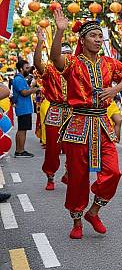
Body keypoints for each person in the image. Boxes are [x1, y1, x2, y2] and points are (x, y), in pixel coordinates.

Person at [50, 9, 122, 240]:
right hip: (78, 123)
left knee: (113, 172)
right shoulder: (73, 63)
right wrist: (59, 31)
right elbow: (55, 59)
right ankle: (76, 220)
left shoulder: (109, 63)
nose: (98, 40)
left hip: (102, 123)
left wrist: (115, 89)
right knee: (78, 176)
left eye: (100, 36)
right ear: (83, 39)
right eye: (94, 36)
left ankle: (93, 211)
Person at [33, 28, 72, 190]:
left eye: (69, 54)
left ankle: (69, 173)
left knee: (74, 148)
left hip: (73, 112)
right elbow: (37, 64)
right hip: (55, 110)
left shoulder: (77, 69)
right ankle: (50, 176)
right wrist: (40, 42)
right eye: (64, 54)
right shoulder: (50, 70)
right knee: (52, 149)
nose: (67, 57)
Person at [11, 59, 39, 158]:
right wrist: (34, 90)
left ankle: (19, 150)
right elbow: (24, 92)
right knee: (23, 130)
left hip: (23, 108)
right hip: (23, 108)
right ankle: (20, 151)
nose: (28, 69)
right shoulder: (19, 79)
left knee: (21, 129)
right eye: (26, 68)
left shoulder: (21, 78)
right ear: (20, 69)